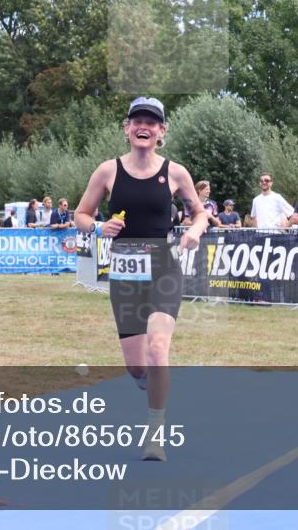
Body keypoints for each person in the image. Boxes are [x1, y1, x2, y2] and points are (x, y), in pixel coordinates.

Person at [74, 96, 208, 462]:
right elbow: (81, 215)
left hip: (164, 269)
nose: (144, 126)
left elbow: (199, 214)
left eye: (152, 121)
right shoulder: (108, 171)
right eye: (137, 121)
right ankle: (152, 383)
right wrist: (100, 227)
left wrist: (195, 230)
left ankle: (155, 434)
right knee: (137, 365)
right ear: (127, 128)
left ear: (162, 131)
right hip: (125, 274)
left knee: (157, 349)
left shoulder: (176, 173)